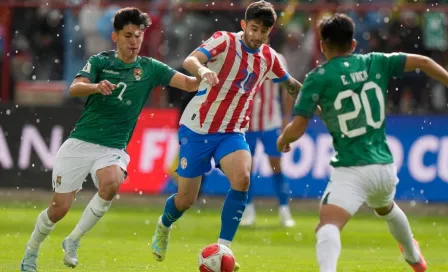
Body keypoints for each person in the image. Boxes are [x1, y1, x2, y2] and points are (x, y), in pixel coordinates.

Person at [20, 7, 201, 272]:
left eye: (138, 36)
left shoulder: (149, 68)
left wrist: (206, 74)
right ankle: (30, 253)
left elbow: (187, 84)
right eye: (128, 35)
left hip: (113, 148)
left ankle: (73, 240)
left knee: (111, 183)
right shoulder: (101, 62)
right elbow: (74, 87)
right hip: (80, 143)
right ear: (115, 37)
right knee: (58, 209)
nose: (134, 41)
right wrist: (96, 86)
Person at [275, 13, 448, 272]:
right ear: (353, 44)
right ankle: (414, 258)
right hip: (385, 167)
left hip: (352, 168)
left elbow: (298, 127)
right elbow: (424, 62)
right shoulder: (375, 62)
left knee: (327, 226)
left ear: (322, 45)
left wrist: (283, 140)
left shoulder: (318, 77)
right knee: (386, 208)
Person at [151, 1, 303, 270]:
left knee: (243, 177)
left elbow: (291, 85)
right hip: (197, 128)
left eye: (263, 32)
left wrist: (317, 97)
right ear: (244, 25)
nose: (257, 36)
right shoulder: (223, 40)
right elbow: (190, 59)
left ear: (270, 32)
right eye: (253, 28)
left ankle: (223, 250)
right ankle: (163, 226)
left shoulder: (269, 58)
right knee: (185, 199)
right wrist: (203, 69)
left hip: (232, 131)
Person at [240, 44, 296, 227]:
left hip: (271, 121)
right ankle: (248, 210)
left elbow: (287, 89)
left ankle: (284, 209)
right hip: (247, 123)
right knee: (245, 170)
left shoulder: (277, 57)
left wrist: (286, 118)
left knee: (276, 166)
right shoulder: (242, 58)